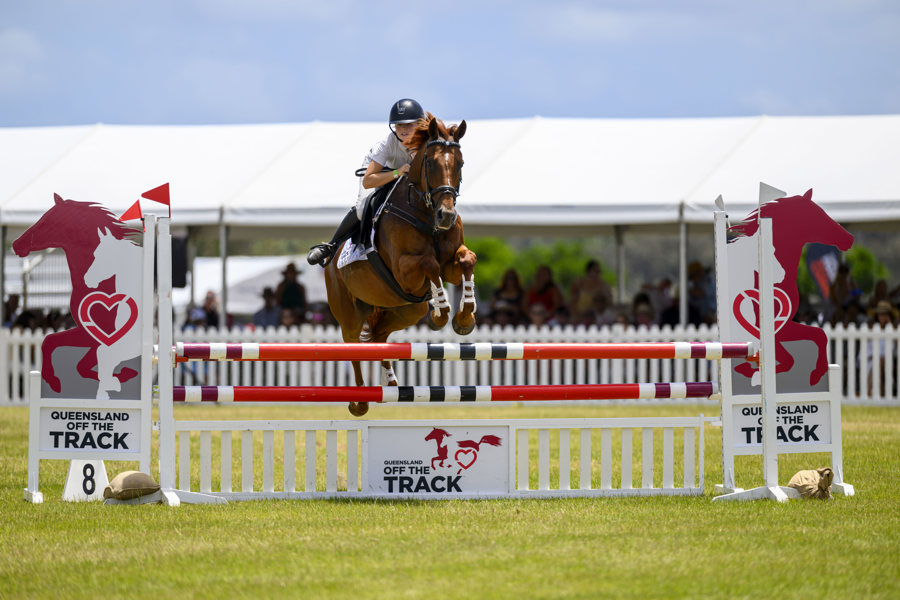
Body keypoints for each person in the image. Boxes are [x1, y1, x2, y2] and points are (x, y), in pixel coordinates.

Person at [307, 98, 426, 267]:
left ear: (420, 124)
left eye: (409, 124)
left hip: (404, 176)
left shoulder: (426, 142)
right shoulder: (386, 145)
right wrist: (396, 172)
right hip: (379, 172)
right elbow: (368, 181)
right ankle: (331, 246)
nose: (403, 129)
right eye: (399, 125)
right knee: (363, 206)